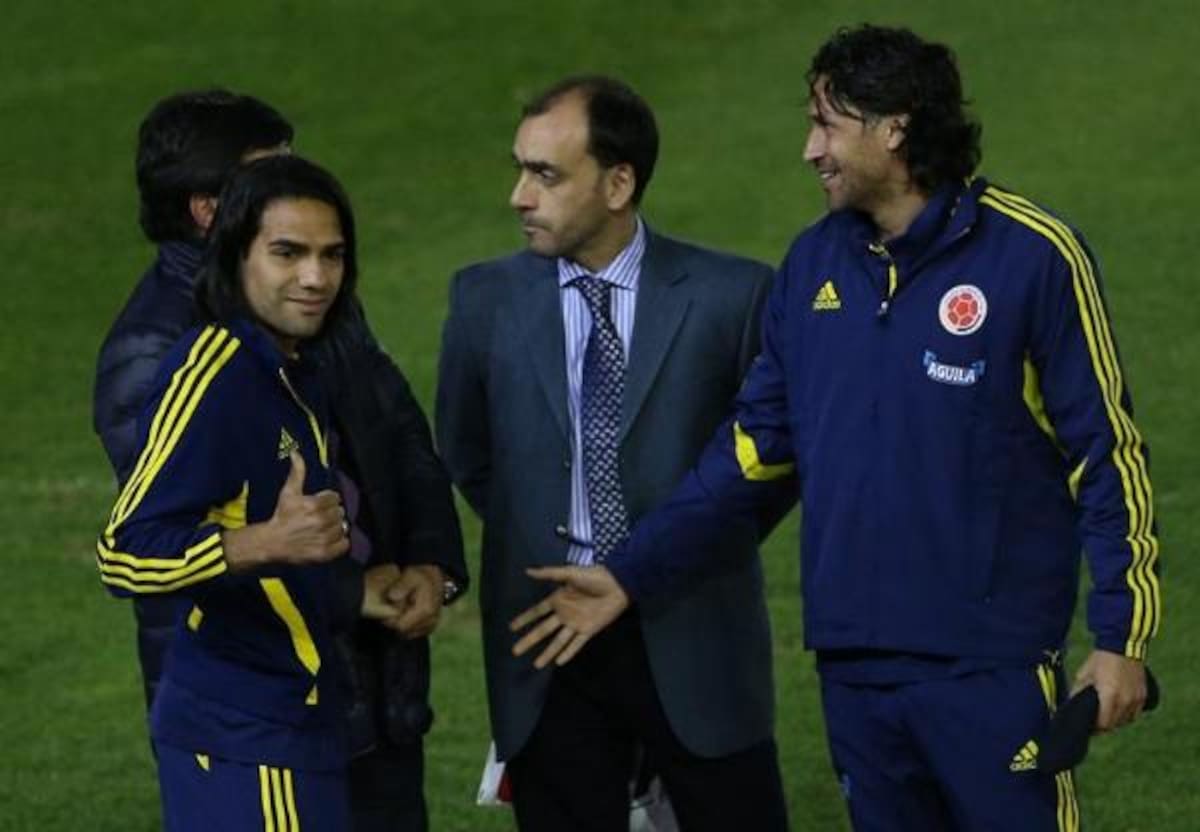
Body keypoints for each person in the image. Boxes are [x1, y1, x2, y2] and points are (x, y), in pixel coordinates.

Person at [513, 26, 1161, 832]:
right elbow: (750, 454)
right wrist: (631, 572)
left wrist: (1121, 635)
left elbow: (1106, 456)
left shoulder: (1031, 257)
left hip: (987, 668)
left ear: (894, 127)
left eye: (827, 123)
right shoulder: (814, 266)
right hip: (855, 671)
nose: (809, 149)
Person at [92, 90, 465, 831]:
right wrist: (293, 558)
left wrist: (430, 562)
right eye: (290, 248)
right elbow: (132, 551)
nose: (315, 273)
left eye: (331, 255)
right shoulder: (195, 361)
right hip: (253, 712)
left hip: (345, 685)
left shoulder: (304, 318)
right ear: (224, 223)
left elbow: (397, 434)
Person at [436, 75, 790, 832]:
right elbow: (469, 454)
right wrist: (547, 538)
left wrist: (659, 559)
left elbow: (768, 468)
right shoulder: (481, 300)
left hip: (691, 621)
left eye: (546, 175)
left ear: (619, 182)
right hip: (549, 632)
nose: (518, 197)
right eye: (520, 168)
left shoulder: (736, 298)